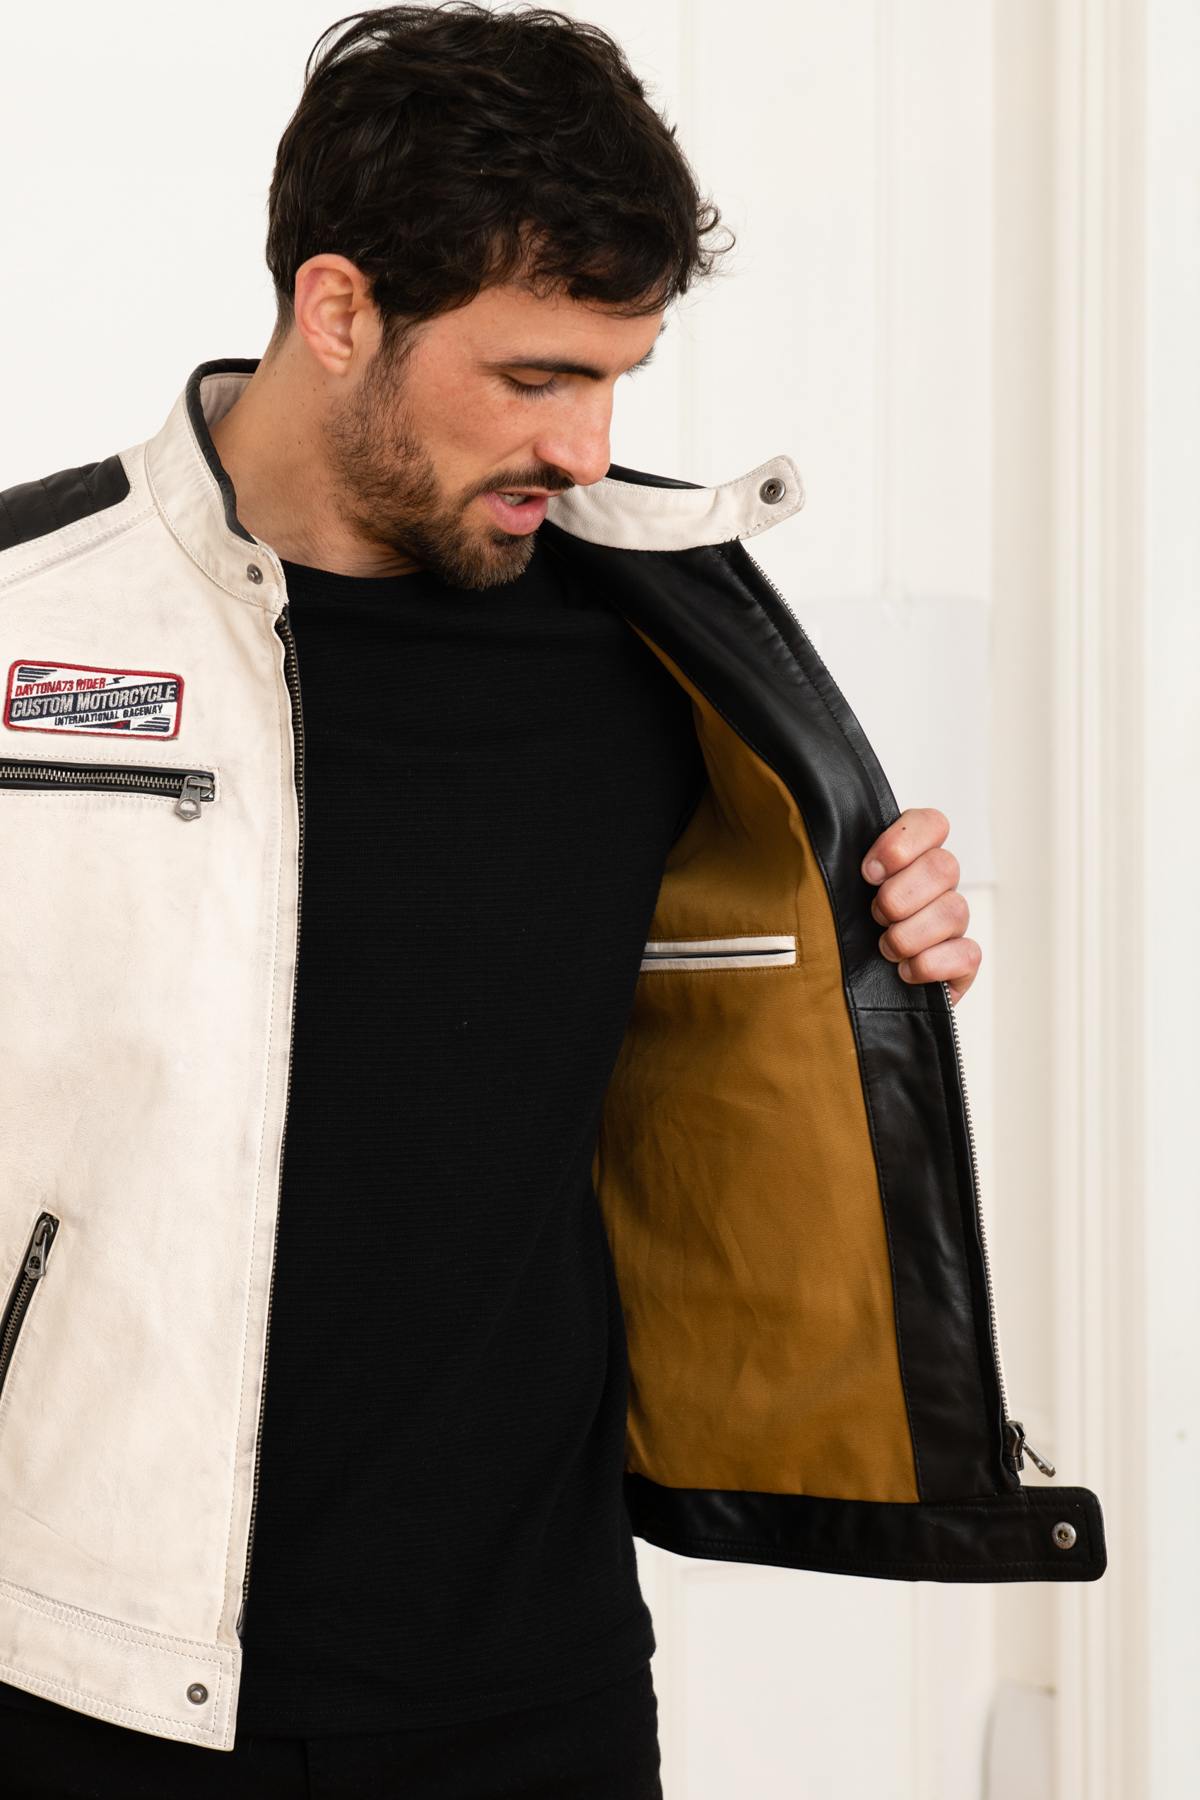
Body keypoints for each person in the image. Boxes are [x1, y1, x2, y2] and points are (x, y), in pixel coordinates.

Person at [0, 4, 1000, 1795]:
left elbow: (740, 995)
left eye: (621, 377)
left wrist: (878, 930)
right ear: (339, 310)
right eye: (538, 378)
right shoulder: (32, 624)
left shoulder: (668, 642)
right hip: (77, 1660)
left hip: (529, 1692)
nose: (590, 446)